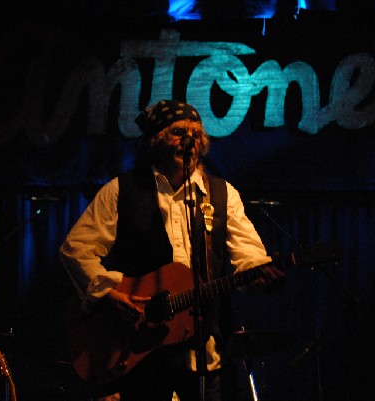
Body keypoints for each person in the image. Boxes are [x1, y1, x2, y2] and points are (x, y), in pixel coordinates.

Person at [60, 100, 284, 401]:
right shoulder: (122, 190)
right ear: (156, 140)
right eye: (178, 132)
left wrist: (258, 272)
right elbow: (76, 250)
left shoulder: (221, 193)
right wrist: (110, 293)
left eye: (196, 132)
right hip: (143, 346)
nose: (189, 139)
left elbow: (248, 255)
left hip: (202, 346)